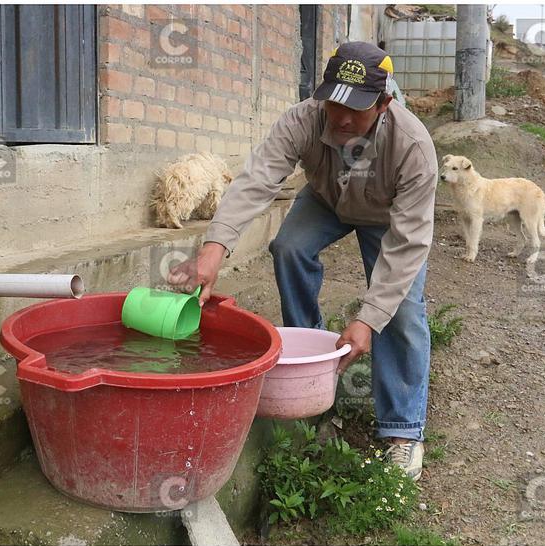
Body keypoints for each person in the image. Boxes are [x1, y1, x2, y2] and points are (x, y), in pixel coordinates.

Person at [168, 42, 437, 480]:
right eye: (334, 103)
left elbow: (408, 244)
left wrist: (368, 319)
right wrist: (214, 249)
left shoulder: (413, 147)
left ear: (384, 103)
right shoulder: (304, 118)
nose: (341, 117)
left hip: (387, 217)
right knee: (289, 247)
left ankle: (403, 430)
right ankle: (314, 366)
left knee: (402, 310)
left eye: (356, 108)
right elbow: (258, 179)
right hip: (326, 199)